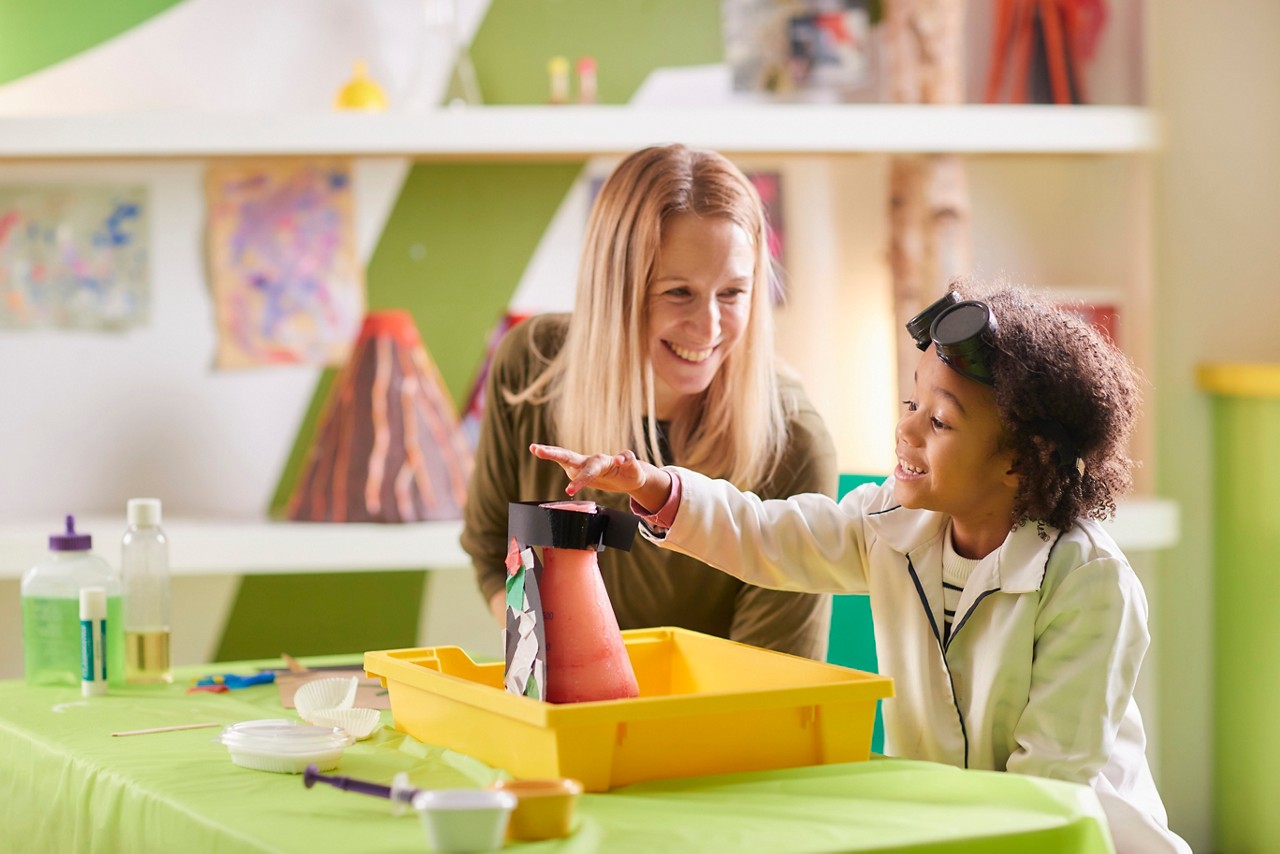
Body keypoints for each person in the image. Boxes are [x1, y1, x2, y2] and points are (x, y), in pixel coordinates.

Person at [531, 284, 1189, 854]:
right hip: (960, 832)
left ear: (1020, 459)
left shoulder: (1087, 583)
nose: (907, 433)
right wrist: (652, 486)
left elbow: (1048, 783)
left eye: (940, 422)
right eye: (911, 406)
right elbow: (768, 535)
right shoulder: (891, 524)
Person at [461, 143, 838, 660]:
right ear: (613, 290)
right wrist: (548, 656)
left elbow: (769, 678)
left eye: (732, 293)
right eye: (679, 292)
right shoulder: (530, 364)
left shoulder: (794, 443)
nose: (708, 327)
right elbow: (491, 546)